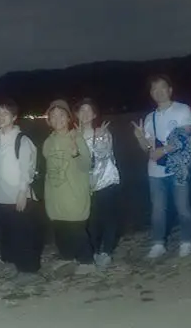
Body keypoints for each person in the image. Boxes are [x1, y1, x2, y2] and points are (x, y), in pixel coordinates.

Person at [132, 74, 191, 260]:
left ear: (170, 90)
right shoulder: (149, 118)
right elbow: (148, 149)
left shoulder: (182, 109)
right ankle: (158, 244)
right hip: (155, 171)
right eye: (154, 89)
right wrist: (140, 138)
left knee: (183, 207)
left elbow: (184, 137)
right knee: (158, 210)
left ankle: (186, 242)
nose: (158, 91)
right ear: (151, 93)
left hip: (178, 168)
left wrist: (163, 150)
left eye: (162, 87)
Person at [0, 99, 43, 275]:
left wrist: (22, 192)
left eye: (5, 113)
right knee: (8, 231)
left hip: (18, 194)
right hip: (0, 194)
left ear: (14, 117)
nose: (0, 117)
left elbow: (27, 167)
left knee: (24, 232)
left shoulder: (22, 139)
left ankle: (29, 269)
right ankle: (11, 262)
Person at [43, 100, 93, 268]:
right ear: (48, 120)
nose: (57, 119)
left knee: (76, 228)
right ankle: (67, 257)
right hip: (55, 195)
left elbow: (86, 166)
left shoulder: (76, 137)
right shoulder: (48, 142)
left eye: (61, 115)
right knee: (60, 228)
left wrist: (76, 153)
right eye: (53, 116)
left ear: (69, 118)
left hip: (74, 194)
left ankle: (87, 262)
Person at [75, 98, 120, 269]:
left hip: (106, 181)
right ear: (77, 114)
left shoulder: (103, 132)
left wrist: (100, 138)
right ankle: (93, 250)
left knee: (108, 218)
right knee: (91, 220)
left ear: (94, 114)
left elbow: (103, 156)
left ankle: (106, 252)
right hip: (85, 186)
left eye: (89, 110)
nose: (85, 114)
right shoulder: (75, 135)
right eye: (82, 110)